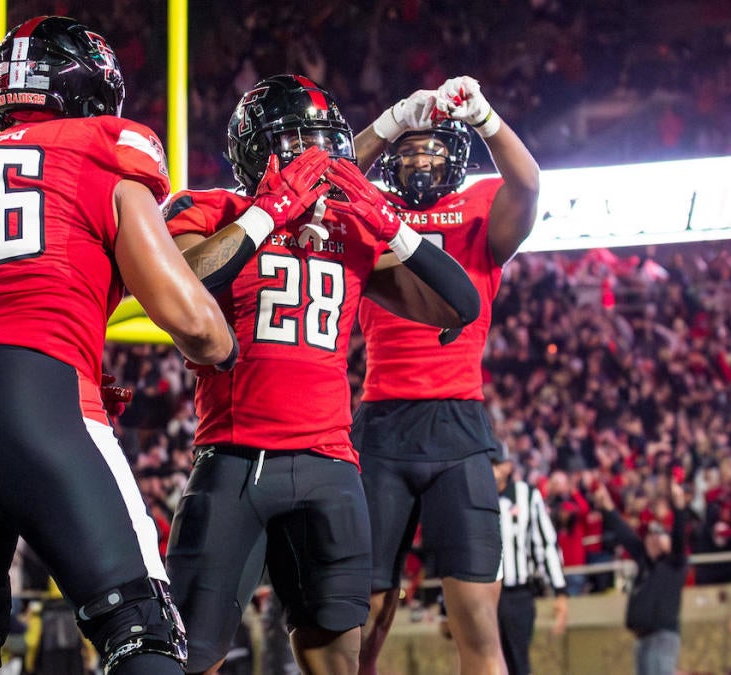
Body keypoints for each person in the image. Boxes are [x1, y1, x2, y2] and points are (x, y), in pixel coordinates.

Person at [0, 16, 235, 675]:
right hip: (40, 392)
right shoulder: (102, 151)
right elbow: (189, 318)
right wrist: (226, 350)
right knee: (143, 631)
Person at [162, 73, 480, 675]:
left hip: (329, 465)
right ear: (258, 150)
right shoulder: (209, 209)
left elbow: (458, 303)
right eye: (296, 144)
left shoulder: (351, 227)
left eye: (322, 145)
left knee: (338, 663)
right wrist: (267, 214)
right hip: (235, 460)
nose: (314, 160)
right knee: (187, 659)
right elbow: (180, 286)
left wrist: (389, 220)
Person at [348, 75, 540, 675]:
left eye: (431, 146)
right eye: (409, 149)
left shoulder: (483, 207)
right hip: (382, 423)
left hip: (457, 423)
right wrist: (389, 122)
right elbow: (328, 175)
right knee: (362, 619)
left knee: (479, 622)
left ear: (456, 154)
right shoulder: (372, 209)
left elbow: (528, 183)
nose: (420, 158)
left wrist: (487, 119)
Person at [593, 482, 689, 675]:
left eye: (659, 536)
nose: (653, 539)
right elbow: (625, 533)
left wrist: (679, 507)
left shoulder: (674, 563)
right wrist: (608, 508)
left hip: (662, 635)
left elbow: (679, 535)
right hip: (642, 637)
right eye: (650, 536)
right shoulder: (645, 562)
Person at [492, 455, 568, 675]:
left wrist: (560, 590)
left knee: (517, 662)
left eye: (494, 464)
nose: (490, 470)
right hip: (484, 595)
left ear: (507, 466)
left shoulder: (527, 495)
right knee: (485, 662)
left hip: (517, 594)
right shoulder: (474, 495)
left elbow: (545, 545)